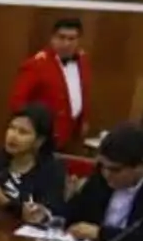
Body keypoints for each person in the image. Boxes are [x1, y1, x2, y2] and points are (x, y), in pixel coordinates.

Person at [0, 103, 68, 217]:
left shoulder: (51, 170)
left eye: (23, 132)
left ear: (39, 141)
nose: (13, 136)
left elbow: (48, 214)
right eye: (11, 128)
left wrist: (6, 203)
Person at [9, 16, 90, 147]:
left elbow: (83, 93)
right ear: (52, 38)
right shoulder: (36, 65)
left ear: (78, 40)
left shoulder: (82, 61)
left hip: (70, 137)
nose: (66, 44)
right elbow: (17, 103)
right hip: (42, 139)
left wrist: (83, 121)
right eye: (61, 37)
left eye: (71, 39)